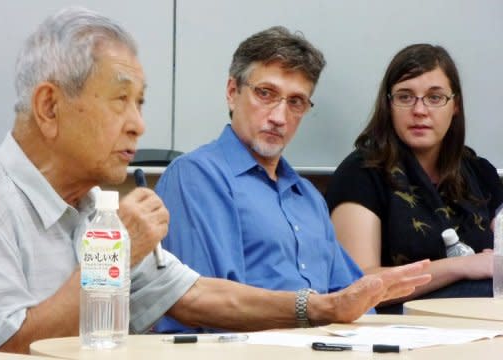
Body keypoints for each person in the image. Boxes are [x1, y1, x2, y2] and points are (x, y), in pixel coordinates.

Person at [0, 8, 431, 354]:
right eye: (120, 101)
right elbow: (7, 344)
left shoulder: (95, 206)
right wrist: (115, 256)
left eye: (140, 103)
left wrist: (324, 306)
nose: (139, 126)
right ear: (50, 107)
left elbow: (194, 294)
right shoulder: (0, 197)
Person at [152, 27, 429, 333]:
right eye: (266, 94)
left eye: (296, 102)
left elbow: (352, 300)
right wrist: (317, 310)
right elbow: (208, 311)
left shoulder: (308, 196)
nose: (279, 117)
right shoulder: (196, 176)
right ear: (232, 92)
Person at [326, 44, 503, 313]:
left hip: (481, 322)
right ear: (389, 105)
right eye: (405, 97)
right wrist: (465, 266)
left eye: (435, 97)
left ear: (455, 105)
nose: (420, 110)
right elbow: (357, 285)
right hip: (398, 326)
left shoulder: (479, 171)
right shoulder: (360, 173)